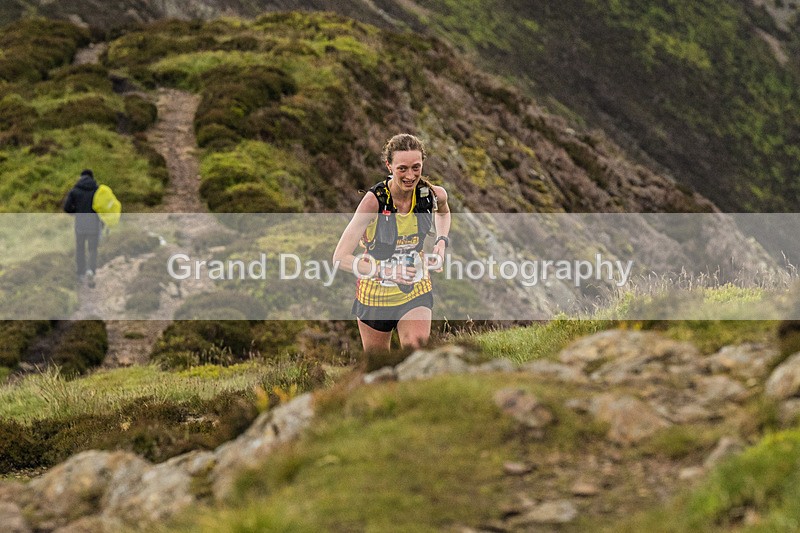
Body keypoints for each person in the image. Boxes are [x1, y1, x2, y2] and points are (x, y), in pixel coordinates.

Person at [333, 134, 451, 352]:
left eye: (416, 167)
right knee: (378, 368)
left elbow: (443, 213)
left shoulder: (431, 194)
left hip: (415, 289)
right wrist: (387, 271)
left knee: (416, 355)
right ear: (389, 165)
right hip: (374, 295)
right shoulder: (373, 201)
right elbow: (340, 257)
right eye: (402, 168)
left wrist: (441, 243)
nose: (410, 175)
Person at [63, 169, 102, 288]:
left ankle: (80, 273)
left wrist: (77, 212)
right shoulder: (98, 190)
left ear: (81, 177)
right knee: (92, 249)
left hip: (80, 224)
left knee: (80, 248)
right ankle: (91, 270)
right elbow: (103, 207)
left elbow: (67, 208)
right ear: (92, 177)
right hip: (94, 224)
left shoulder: (75, 191)